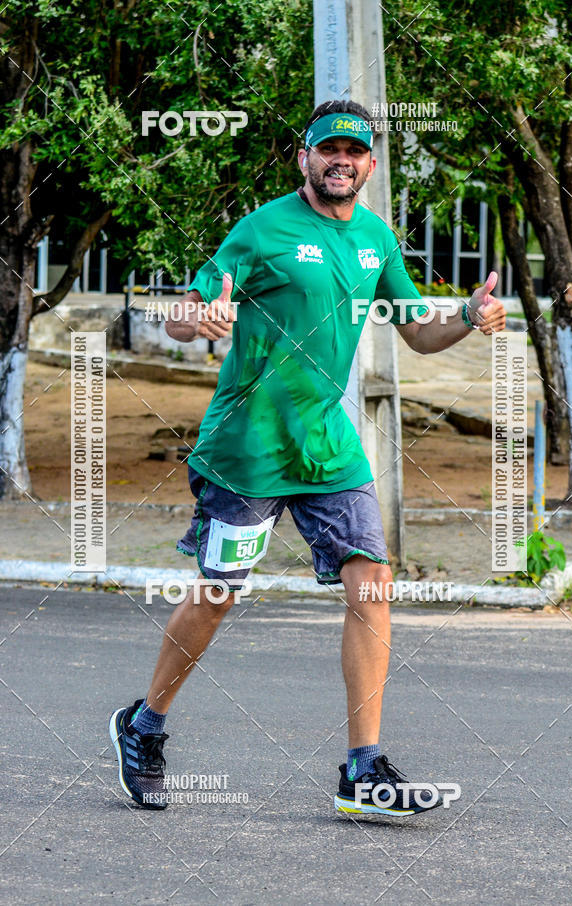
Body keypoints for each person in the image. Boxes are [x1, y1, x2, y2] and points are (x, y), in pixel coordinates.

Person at [110, 99, 506, 819]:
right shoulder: (262, 230)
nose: (341, 162)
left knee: (373, 584)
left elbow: (418, 332)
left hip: (328, 445)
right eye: (329, 150)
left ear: (370, 166)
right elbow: (178, 311)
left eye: (354, 152)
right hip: (249, 449)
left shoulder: (376, 241)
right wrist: (196, 318)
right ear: (305, 157)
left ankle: (363, 771)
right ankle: (144, 725)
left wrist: (468, 319)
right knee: (219, 592)